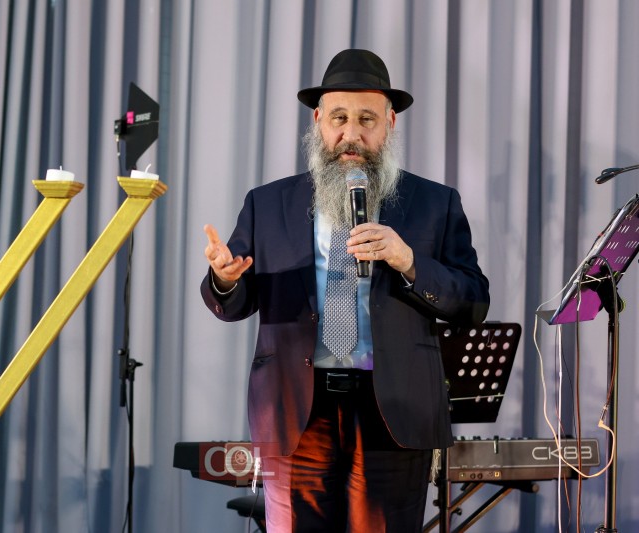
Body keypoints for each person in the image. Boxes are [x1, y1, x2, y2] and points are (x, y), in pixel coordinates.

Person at [200, 49, 489, 532]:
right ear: (318, 121)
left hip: (392, 413)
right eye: (339, 118)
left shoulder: (433, 203)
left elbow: (473, 301)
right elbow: (234, 302)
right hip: (296, 411)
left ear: (389, 124)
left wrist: (410, 262)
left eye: (366, 120)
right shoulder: (267, 204)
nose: (351, 134)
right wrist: (226, 279)